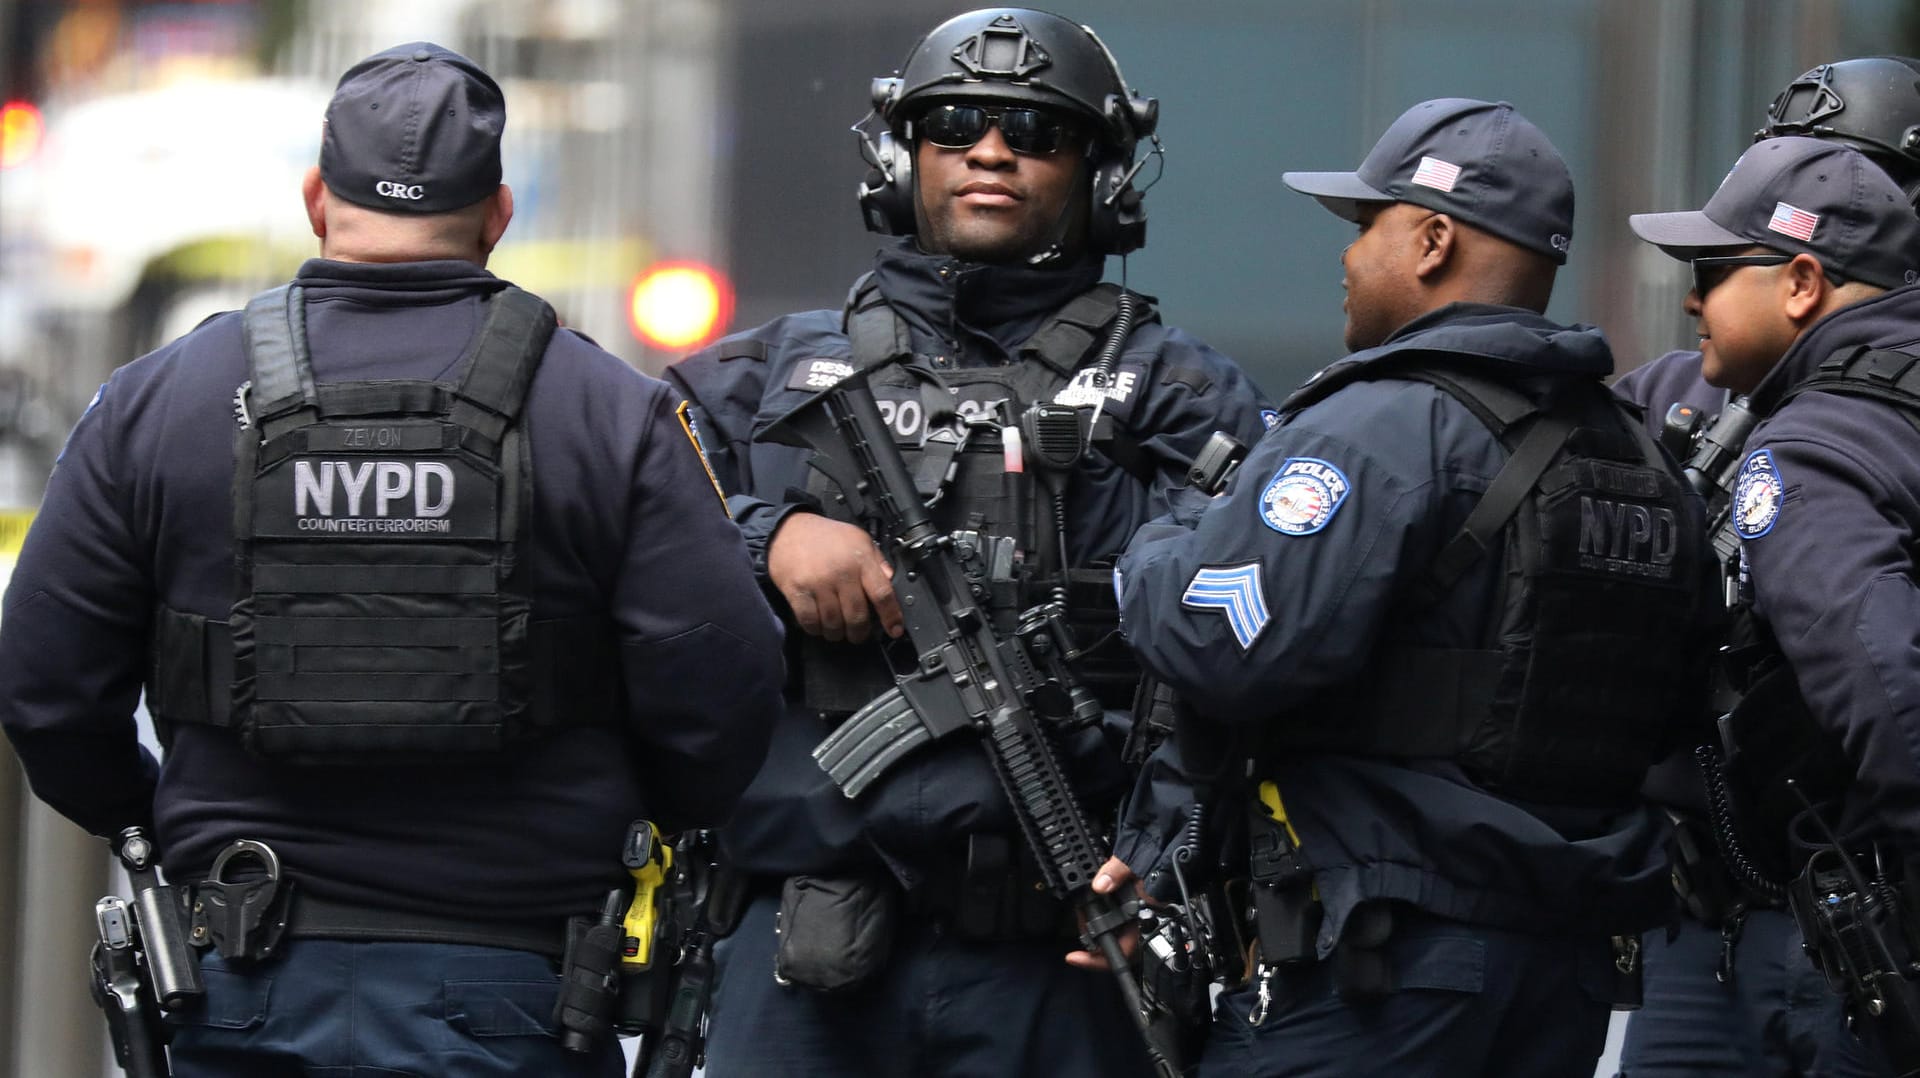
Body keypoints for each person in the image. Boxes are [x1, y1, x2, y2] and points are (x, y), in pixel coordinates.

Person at [0, 42, 784, 1077]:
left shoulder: (159, 402)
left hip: (242, 975)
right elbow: (724, 686)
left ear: (318, 197)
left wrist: (147, 816)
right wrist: (624, 810)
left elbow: (47, 687)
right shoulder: (609, 413)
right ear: (499, 213)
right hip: (515, 991)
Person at [665, 8, 1272, 1076]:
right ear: (905, 158)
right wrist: (768, 536)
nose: (991, 151)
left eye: (1036, 133)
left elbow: (1244, 641)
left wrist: (1166, 859)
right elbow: (617, 520)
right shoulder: (763, 376)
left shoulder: (1179, 394)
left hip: (1068, 945)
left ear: (1105, 177)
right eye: (955, 124)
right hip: (806, 950)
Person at [1109, 98, 1716, 1077]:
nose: (1346, 259)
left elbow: (1225, 643)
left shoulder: (1379, 427)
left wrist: (1162, 544)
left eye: (1365, 228)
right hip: (1560, 978)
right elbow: (1679, 705)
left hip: (1384, 971)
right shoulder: (1639, 451)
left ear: (1432, 239)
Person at [1612, 57, 1920, 1078]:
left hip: (1863, 915)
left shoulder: (1849, 419)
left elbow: (1883, 683)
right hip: (1704, 918)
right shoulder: (1695, 392)